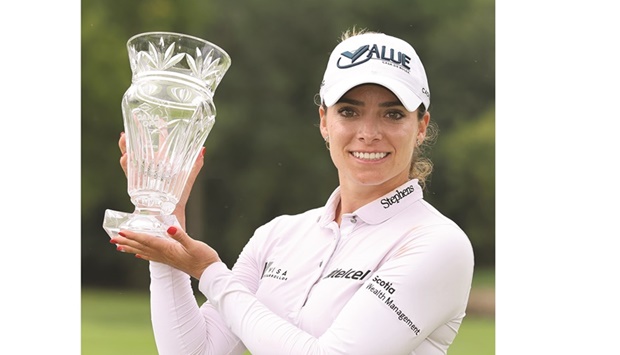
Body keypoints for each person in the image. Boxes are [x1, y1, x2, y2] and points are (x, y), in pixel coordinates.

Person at [111, 27, 475, 355]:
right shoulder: (279, 235)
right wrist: (166, 229)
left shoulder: (438, 243)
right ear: (324, 122)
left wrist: (210, 273)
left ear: (422, 126)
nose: (369, 132)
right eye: (349, 112)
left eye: (393, 114)